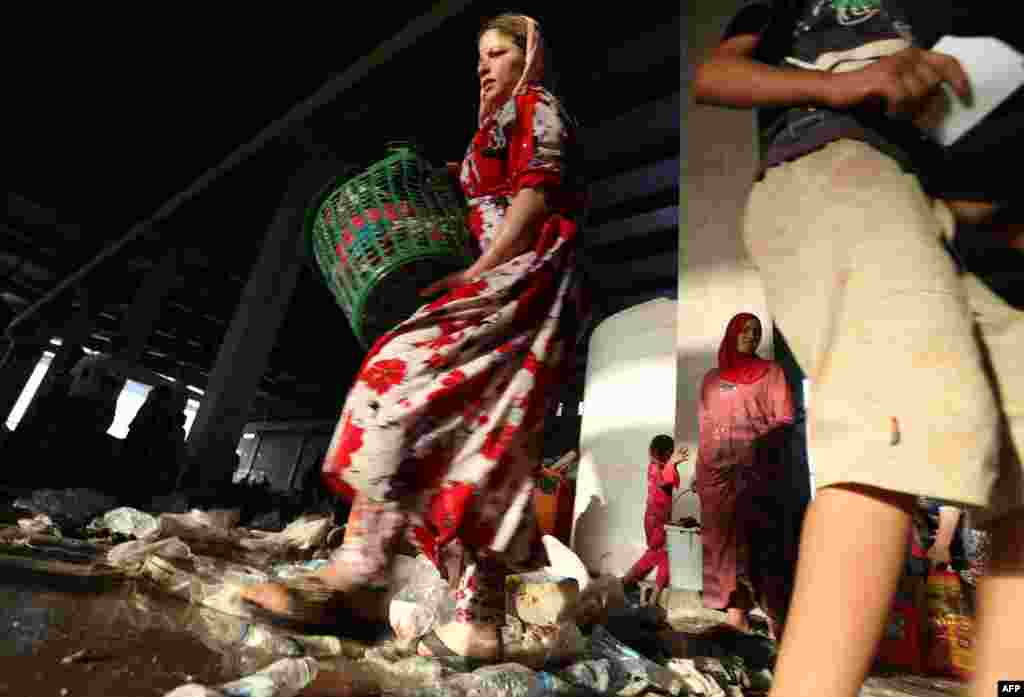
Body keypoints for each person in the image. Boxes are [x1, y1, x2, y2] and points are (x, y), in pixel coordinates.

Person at [693, 4, 1024, 697]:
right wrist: (842, 86)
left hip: (957, 211)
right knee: (893, 416)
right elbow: (716, 74)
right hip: (835, 156)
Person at [241, 13, 587, 662]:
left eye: (496, 54)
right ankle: (479, 623)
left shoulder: (536, 107)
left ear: (529, 58)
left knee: (395, 375)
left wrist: (479, 271)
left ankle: (362, 573)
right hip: (521, 289)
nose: (483, 67)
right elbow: (486, 190)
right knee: (490, 446)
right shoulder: (492, 130)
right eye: (478, 57)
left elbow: (537, 194)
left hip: (514, 281)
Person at [695, 313, 795, 637]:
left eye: (756, 331)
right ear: (731, 333)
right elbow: (705, 426)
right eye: (745, 330)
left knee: (763, 541)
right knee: (724, 544)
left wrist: (755, 446)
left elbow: (785, 419)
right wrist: (702, 467)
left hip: (759, 470)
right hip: (717, 474)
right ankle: (735, 611)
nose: (750, 336)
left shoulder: (772, 373)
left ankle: (774, 618)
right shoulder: (712, 379)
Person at [622, 435, 690, 601]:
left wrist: (674, 463)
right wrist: (673, 463)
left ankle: (628, 584)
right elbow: (665, 481)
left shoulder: (659, 466)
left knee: (656, 555)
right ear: (666, 452)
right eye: (671, 452)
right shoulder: (655, 467)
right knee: (663, 554)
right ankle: (647, 595)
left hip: (658, 518)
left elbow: (669, 480)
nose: (672, 455)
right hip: (655, 519)